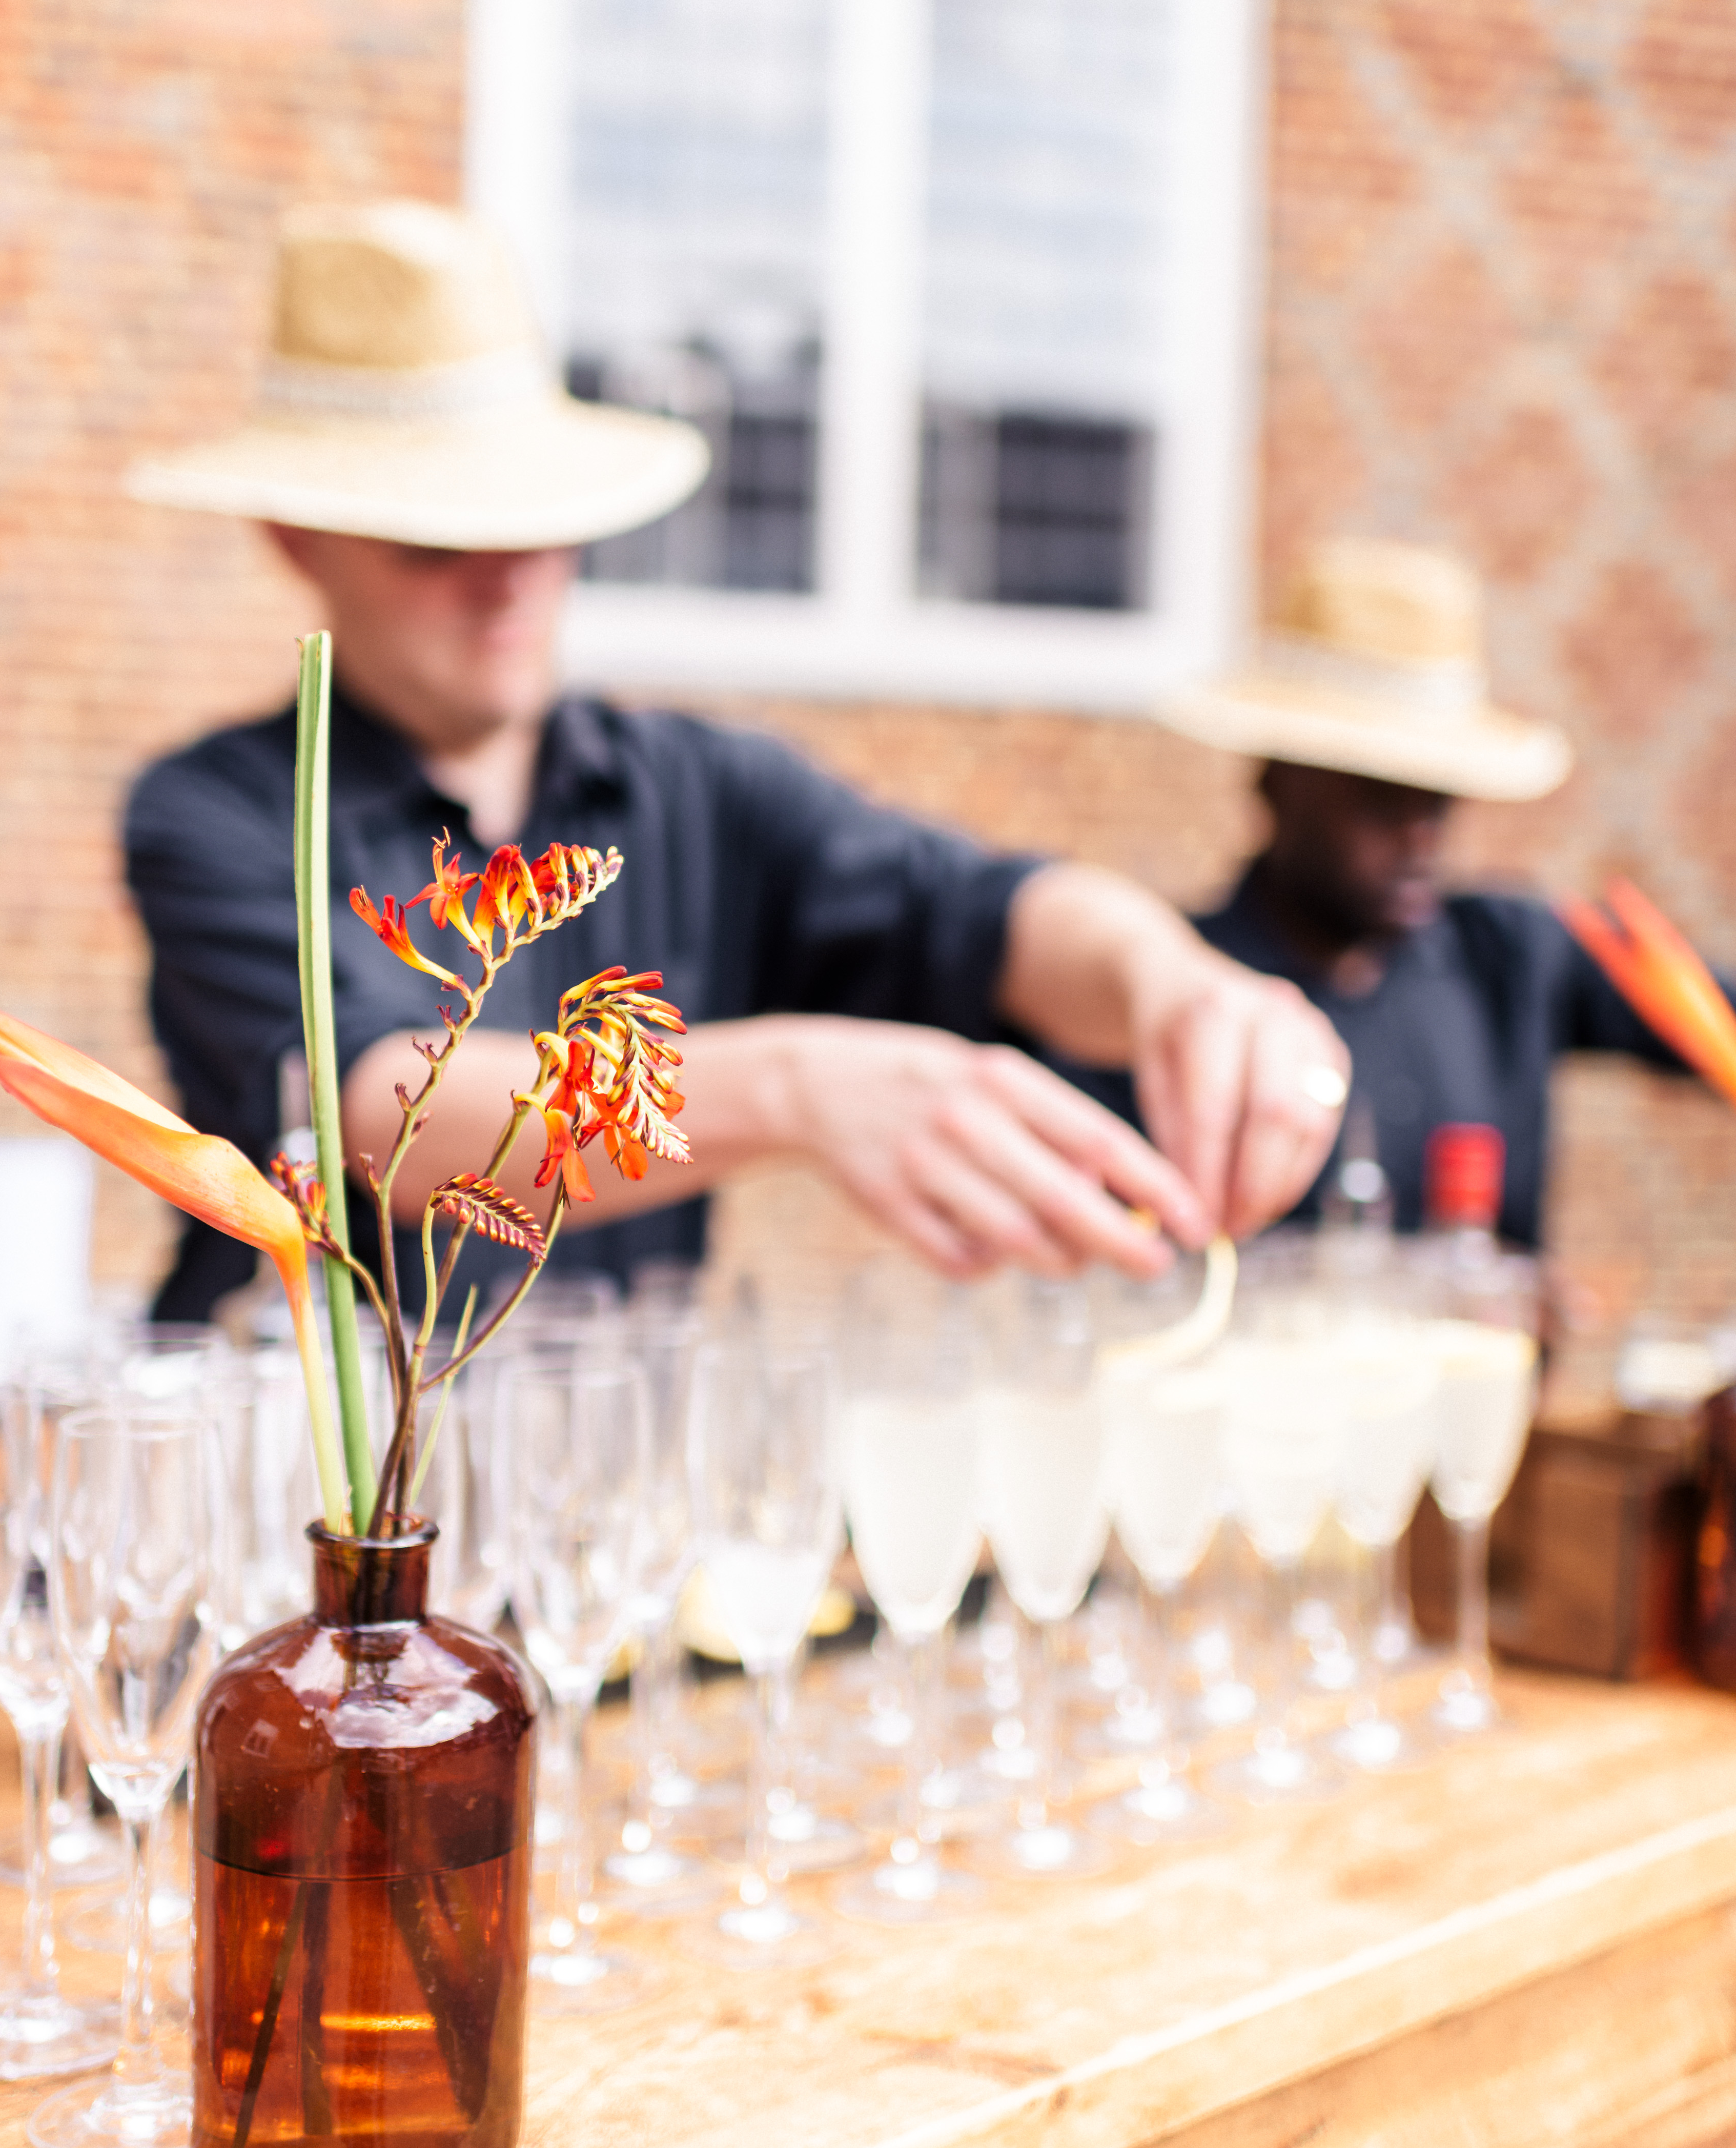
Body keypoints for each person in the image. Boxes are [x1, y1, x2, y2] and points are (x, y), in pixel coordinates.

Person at [124, 200, 1349, 1320]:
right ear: (299, 538)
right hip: (313, 1498)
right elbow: (384, 1117)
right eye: (436, 540)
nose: (506, 580)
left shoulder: (694, 790)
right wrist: (795, 1085)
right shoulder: (221, 814)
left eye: (535, 524)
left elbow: (983, 913)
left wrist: (1171, 981)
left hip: (605, 1479)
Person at [1143, 536, 1713, 1245]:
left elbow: (1711, 1014)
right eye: (1382, 794)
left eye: (1439, 799)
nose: (1420, 834)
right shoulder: (1173, 991)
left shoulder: (1510, 956)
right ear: (1278, 780)